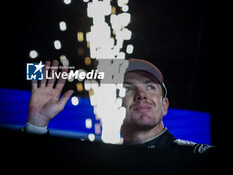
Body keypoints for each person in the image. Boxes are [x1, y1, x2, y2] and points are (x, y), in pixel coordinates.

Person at [23, 58, 215, 155]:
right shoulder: (96, 163)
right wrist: (37, 122)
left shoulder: (195, 156)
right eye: (127, 88)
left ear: (164, 105)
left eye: (150, 87)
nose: (141, 95)